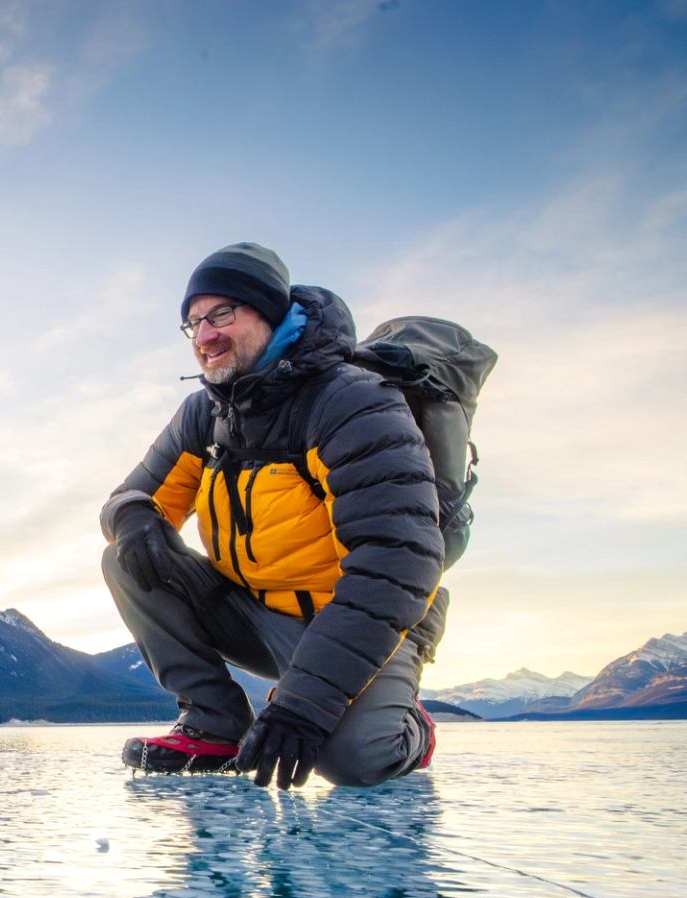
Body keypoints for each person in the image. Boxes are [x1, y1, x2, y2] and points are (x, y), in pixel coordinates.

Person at [101, 243, 445, 788]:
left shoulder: (349, 402)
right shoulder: (204, 414)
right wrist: (132, 515)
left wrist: (304, 705)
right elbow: (129, 497)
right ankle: (214, 722)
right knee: (126, 556)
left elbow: (395, 567)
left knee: (354, 761)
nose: (205, 335)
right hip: (252, 613)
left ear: (270, 313)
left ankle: (411, 727)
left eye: (221, 314)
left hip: (355, 616)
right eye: (192, 323)